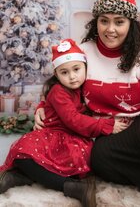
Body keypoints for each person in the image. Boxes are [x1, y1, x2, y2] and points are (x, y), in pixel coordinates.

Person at [4, 0, 140, 199]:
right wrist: (44, 106)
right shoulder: (84, 52)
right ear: (95, 22)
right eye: (104, 20)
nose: (110, 29)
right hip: (108, 134)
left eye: (119, 22)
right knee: (98, 158)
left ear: (131, 24)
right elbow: (64, 82)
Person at [0, 38, 127, 207]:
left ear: (85, 68)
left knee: (26, 157)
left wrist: (110, 121)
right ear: (57, 75)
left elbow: (90, 112)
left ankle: (70, 187)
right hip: (56, 136)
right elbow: (73, 119)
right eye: (64, 72)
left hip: (72, 139)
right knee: (23, 153)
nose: (72, 77)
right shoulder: (58, 91)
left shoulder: (85, 88)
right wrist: (107, 126)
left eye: (76, 69)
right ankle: (23, 178)